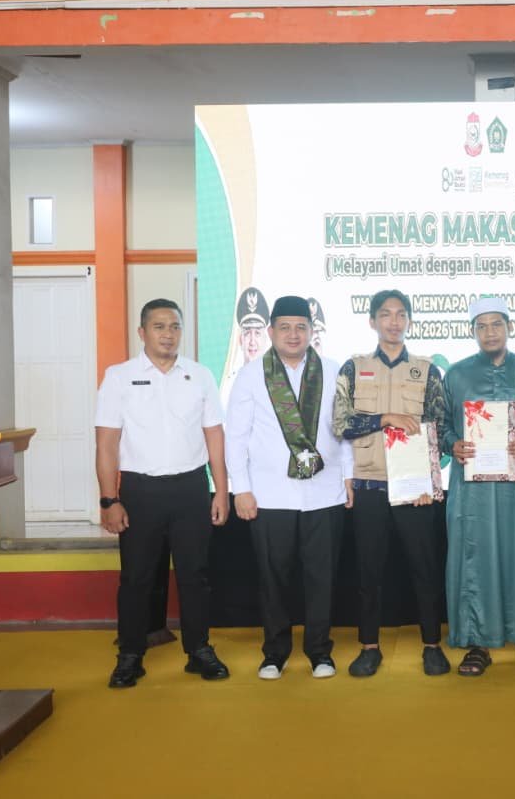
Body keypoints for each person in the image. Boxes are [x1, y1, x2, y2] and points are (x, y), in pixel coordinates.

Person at [96, 298, 231, 688]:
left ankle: (199, 650)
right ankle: (130, 656)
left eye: (174, 326)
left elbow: (214, 437)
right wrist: (109, 499)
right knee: (136, 578)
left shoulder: (199, 375)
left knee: (195, 576)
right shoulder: (119, 377)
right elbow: (106, 444)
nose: (168, 334)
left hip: (191, 489)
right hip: (140, 491)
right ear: (142, 332)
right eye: (159, 327)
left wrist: (221, 491)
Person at [226, 296, 354, 680]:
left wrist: (349, 476)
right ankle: (274, 654)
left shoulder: (332, 371)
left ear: (312, 331)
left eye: (301, 327)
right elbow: (236, 437)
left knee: (322, 577)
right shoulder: (251, 375)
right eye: (285, 327)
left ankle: (320, 652)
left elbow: (344, 430)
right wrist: (240, 488)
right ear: (271, 331)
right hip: (269, 495)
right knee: (273, 578)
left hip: (325, 492)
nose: (293, 335)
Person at [332, 289, 451, 677]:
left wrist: (430, 483)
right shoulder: (354, 368)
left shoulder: (427, 371)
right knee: (369, 573)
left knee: (425, 570)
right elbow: (340, 424)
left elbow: (438, 430)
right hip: (370, 485)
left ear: (410, 321)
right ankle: (369, 647)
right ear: (373, 321)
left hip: (415, 490)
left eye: (401, 315)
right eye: (385, 314)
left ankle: (432, 646)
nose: (394, 322)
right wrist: (384, 418)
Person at [442, 297, 515, 677]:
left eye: (497, 324)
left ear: (509, 327)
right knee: (474, 557)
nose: (490, 332)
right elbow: (441, 425)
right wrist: (452, 443)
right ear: (472, 331)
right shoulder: (456, 374)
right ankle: (477, 644)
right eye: (482, 326)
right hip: (470, 491)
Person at [237, 287, 270, 364]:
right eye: (247, 333)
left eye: (257, 333)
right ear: (241, 340)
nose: (252, 342)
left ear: (265, 339)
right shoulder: (233, 373)